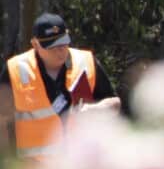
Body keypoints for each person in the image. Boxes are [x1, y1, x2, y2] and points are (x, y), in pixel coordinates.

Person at [0, 13, 121, 160]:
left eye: (63, 43)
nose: (60, 50)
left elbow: (114, 103)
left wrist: (96, 109)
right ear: (35, 44)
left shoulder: (86, 62)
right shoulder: (15, 70)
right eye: (52, 46)